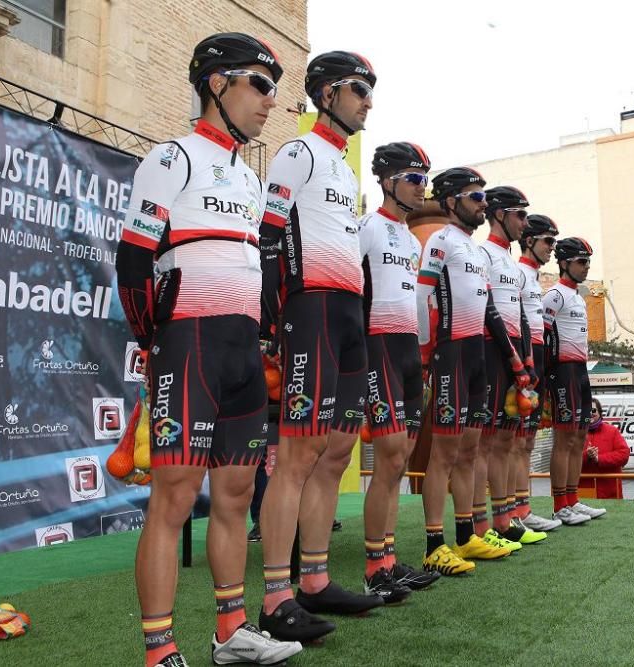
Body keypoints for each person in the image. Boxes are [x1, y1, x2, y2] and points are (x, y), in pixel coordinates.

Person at [117, 33, 301, 667]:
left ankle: (230, 632)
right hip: (188, 344)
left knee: (233, 495)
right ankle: (159, 651)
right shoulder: (173, 157)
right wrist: (152, 342)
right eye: (261, 84)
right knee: (172, 499)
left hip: (243, 352)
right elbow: (134, 257)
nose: (271, 102)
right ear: (217, 84)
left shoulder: (248, 178)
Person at [257, 50, 384, 641]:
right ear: (328, 94)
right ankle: (275, 598)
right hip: (308, 311)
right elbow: (269, 236)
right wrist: (270, 322)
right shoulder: (297, 152)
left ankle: (314, 580)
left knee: (336, 452)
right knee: (297, 457)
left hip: (348, 318)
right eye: (360, 89)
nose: (368, 102)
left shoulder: (343, 167)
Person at [416, 167, 526, 572]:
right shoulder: (440, 242)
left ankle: (466, 538)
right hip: (450, 356)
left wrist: (514, 358)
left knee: (469, 449)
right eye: (474, 197)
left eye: (483, 198)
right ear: (450, 202)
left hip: (478, 359)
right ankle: (433, 546)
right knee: (443, 454)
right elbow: (421, 298)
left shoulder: (477, 252)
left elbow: (491, 310)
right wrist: (424, 356)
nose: (483, 204)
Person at [358, 142, 439, 599]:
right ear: (388, 181)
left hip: (410, 352)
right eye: (413, 178)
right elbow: (353, 292)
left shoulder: (411, 241)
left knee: (400, 461)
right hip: (379, 348)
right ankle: (374, 570)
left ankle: (388, 560)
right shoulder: (367, 227)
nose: (420, 188)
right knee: (389, 456)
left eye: (424, 180)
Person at [472, 186, 546, 550]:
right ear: (499, 214)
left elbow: (523, 317)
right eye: (520, 215)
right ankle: (479, 525)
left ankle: (505, 520)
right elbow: (488, 310)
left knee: (504, 441)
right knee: (484, 445)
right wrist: (514, 358)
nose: (524, 223)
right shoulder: (482, 253)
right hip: (491, 351)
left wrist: (527, 358)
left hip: (516, 353)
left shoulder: (512, 265)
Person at [544, 237, 606, 525]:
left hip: (580, 370)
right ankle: (559, 505)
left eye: (588, 263)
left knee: (580, 436)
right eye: (582, 262)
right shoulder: (554, 295)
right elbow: (540, 334)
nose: (586, 267)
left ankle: (572, 499)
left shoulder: (579, 297)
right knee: (565, 437)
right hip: (562, 370)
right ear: (565, 263)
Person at [514, 214, 563, 532]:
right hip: (522, 357)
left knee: (528, 441)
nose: (552, 248)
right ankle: (515, 511)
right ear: (529, 240)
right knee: (516, 441)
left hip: (538, 357)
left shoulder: (533, 276)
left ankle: (523, 508)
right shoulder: (517, 272)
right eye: (548, 241)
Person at [580, 398, 630, 499]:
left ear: (600, 412)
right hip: (583, 492)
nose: (590, 413)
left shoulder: (612, 431)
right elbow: (567, 458)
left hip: (609, 493)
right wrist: (586, 456)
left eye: (593, 410)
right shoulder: (575, 433)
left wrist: (599, 458)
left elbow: (624, 454)